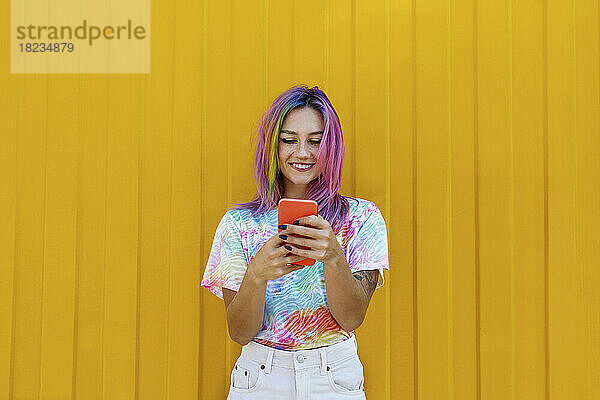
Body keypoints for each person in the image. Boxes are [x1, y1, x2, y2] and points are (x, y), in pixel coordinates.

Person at [201, 84, 389, 399]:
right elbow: (239, 332)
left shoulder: (362, 218)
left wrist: (333, 257)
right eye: (289, 140)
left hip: (334, 378)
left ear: (332, 148)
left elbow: (352, 317)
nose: (302, 153)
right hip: (260, 377)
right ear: (272, 147)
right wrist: (257, 275)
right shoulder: (239, 225)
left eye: (316, 141)